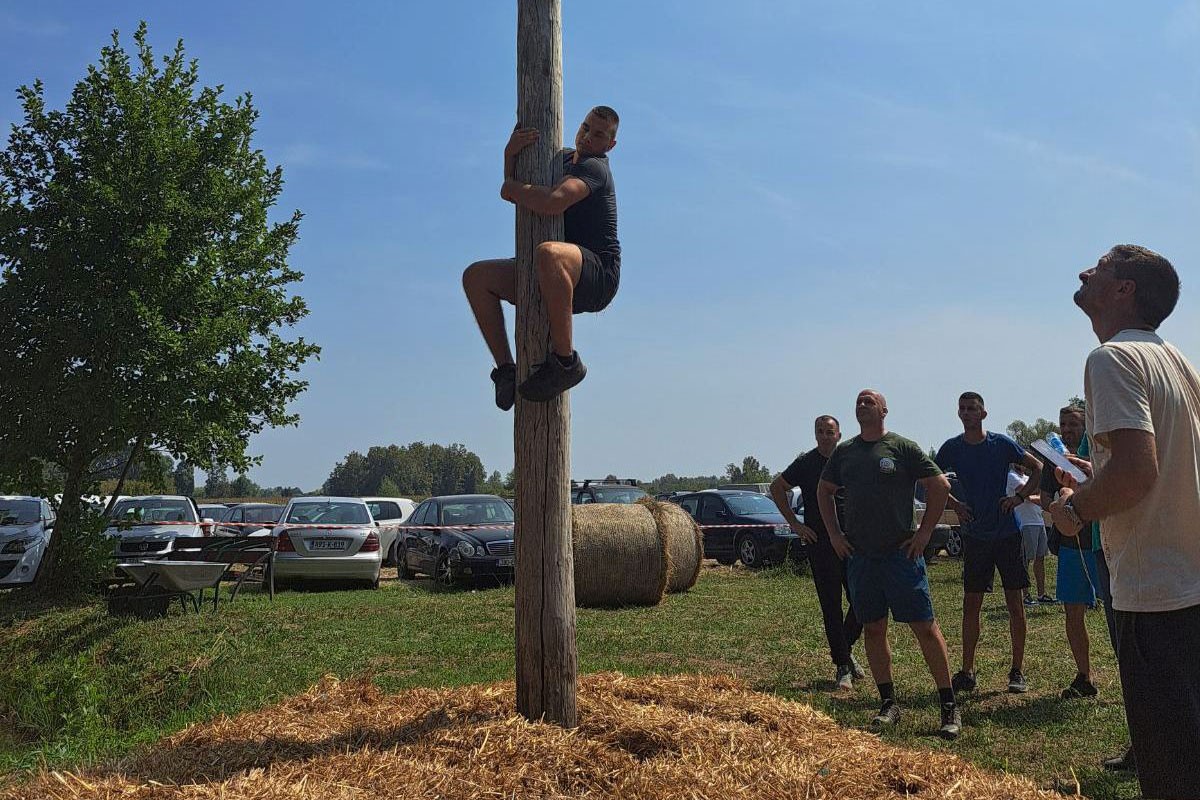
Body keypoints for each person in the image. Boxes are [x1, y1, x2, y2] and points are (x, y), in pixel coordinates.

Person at [1049, 244, 1200, 798]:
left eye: (1101, 267)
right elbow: (1169, 466)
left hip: (1155, 594)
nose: (1084, 270)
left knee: (1170, 771)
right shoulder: (1178, 362)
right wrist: (1098, 474)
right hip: (1190, 584)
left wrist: (1073, 510)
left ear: (1124, 289)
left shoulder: (1111, 358)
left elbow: (1138, 472)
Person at [817, 389, 960, 739]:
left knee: (925, 628)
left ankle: (949, 706)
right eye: (858, 401)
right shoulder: (845, 452)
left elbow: (939, 486)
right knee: (874, 628)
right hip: (862, 557)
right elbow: (824, 491)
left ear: (884, 409)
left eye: (869, 400)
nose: (862, 403)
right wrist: (835, 535)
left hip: (901, 554)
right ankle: (888, 703)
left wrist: (925, 535)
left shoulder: (902, 447)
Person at [462, 106, 621, 409]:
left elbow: (552, 201)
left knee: (549, 253)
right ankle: (507, 370)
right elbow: (520, 185)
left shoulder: (595, 167)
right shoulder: (558, 158)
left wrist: (510, 189)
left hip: (598, 274)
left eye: (598, 134)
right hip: (555, 271)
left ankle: (565, 363)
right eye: (585, 127)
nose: (587, 136)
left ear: (610, 145)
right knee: (476, 277)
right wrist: (509, 155)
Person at [936, 392, 1043, 695]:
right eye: (963, 409)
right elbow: (928, 478)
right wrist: (954, 503)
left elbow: (1038, 468)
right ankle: (967, 670)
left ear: (983, 414)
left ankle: (1017, 670)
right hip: (976, 537)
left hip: (1007, 534)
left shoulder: (1001, 444)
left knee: (1015, 603)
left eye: (973, 409)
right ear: (958, 414)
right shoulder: (952, 448)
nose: (968, 413)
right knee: (971, 604)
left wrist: (1019, 498)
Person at [770, 415, 864, 691]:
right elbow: (778, 488)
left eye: (830, 431)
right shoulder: (806, 463)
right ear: (815, 435)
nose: (825, 436)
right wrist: (795, 524)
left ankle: (844, 650)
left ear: (839, 434)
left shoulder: (849, 458)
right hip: (820, 544)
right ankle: (843, 666)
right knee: (831, 605)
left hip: (852, 541)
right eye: (820, 431)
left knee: (861, 600)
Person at [1006, 463, 1049, 606]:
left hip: (1038, 521)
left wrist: (1037, 494)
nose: (1022, 464)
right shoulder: (1011, 476)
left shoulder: (1027, 478)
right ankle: (1025, 596)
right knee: (1025, 560)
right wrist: (1041, 492)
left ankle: (1041, 595)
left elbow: (1033, 495)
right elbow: (1026, 495)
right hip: (1025, 522)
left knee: (1040, 558)